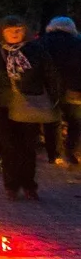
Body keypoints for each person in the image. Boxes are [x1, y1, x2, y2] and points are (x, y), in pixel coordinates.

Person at [0, 16, 64, 201]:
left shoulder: (36, 50)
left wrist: (54, 100)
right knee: (9, 147)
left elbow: (50, 74)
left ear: (25, 32)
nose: (15, 34)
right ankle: (12, 186)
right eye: (10, 30)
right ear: (2, 32)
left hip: (29, 104)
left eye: (19, 30)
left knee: (28, 147)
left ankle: (29, 185)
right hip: (3, 105)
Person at [41, 17, 81, 165]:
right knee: (75, 122)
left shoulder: (43, 42)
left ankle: (54, 154)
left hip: (49, 89)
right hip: (73, 89)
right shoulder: (78, 42)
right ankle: (71, 152)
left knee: (52, 122)